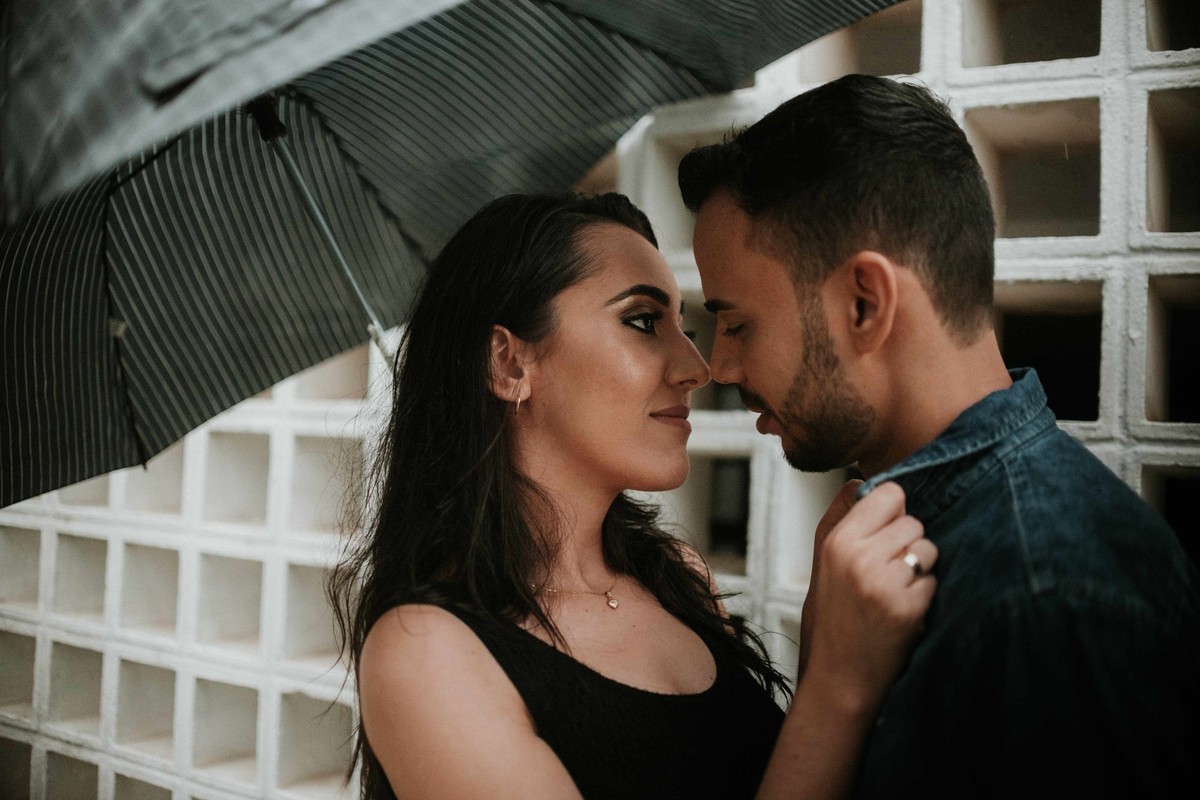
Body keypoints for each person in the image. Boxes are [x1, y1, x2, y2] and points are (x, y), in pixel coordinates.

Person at [678, 73, 1200, 799]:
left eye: (736, 323)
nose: (719, 366)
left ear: (865, 304)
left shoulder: (1046, 599)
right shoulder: (933, 540)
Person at [329, 191, 937, 800]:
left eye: (685, 327)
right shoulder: (425, 654)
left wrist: (826, 634)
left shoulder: (677, 577)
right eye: (643, 322)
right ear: (510, 365)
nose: (697, 367)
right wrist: (837, 685)